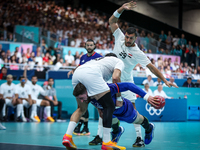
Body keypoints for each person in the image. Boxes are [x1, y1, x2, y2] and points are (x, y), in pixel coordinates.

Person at [108, 1, 178, 147]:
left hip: (126, 81)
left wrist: (164, 80)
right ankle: (115, 132)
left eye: (130, 38)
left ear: (135, 39)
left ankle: (139, 137)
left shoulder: (138, 53)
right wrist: (122, 8)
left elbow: (152, 67)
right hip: (111, 78)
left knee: (132, 111)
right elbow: (112, 21)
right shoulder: (120, 37)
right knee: (106, 109)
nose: (127, 40)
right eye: (126, 37)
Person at [62, 54, 126, 150]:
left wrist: (98, 107)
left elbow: (93, 93)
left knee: (81, 109)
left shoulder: (99, 61)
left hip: (77, 73)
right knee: (109, 107)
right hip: (91, 74)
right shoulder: (118, 61)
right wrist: (119, 98)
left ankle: (68, 136)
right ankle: (107, 142)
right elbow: (116, 78)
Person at [81, 82, 159, 147]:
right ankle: (116, 131)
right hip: (111, 111)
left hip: (125, 109)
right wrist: (99, 109)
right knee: (107, 118)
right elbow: (95, 102)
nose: (81, 101)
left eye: (82, 98)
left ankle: (149, 128)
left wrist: (146, 97)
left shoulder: (107, 88)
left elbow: (129, 85)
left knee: (138, 120)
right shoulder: (87, 97)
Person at [67, 39, 102, 136]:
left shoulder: (99, 57)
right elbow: (79, 67)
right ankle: (85, 128)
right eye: (88, 45)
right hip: (83, 86)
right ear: (85, 47)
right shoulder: (83, 57)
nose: (89, 47)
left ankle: (101, 134)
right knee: (82, 107)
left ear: (94, 46)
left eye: (91, 45)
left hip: (94, 86)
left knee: (100, 109)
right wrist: (72, 71)